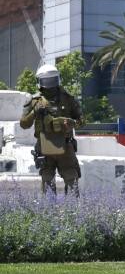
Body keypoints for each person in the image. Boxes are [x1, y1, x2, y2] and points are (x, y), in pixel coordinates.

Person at [20, 64, 83, 196]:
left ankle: (73, 214)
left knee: (72, 179)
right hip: (44, 147)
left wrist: (71, 124)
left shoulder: (68, 98)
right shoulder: (35, 101)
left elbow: (81, 121)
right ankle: (49, 212)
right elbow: (24, 124)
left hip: (65, 146)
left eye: (52, 80)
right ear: (40, 82)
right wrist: (35, 112)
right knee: (47, 181)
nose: (50, 85)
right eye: (46, 81)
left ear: (58, 79)